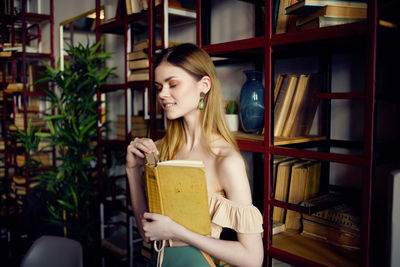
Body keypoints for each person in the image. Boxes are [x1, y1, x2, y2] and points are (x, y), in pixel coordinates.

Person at [126, 43, 264, 267]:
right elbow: (147, 233)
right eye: (159, 87)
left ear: (204, 85)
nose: (163, 94)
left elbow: (252, 258)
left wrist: (177, 232)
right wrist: (132, 169)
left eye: (173, 84)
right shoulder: (160, 149)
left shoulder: (226, 161)